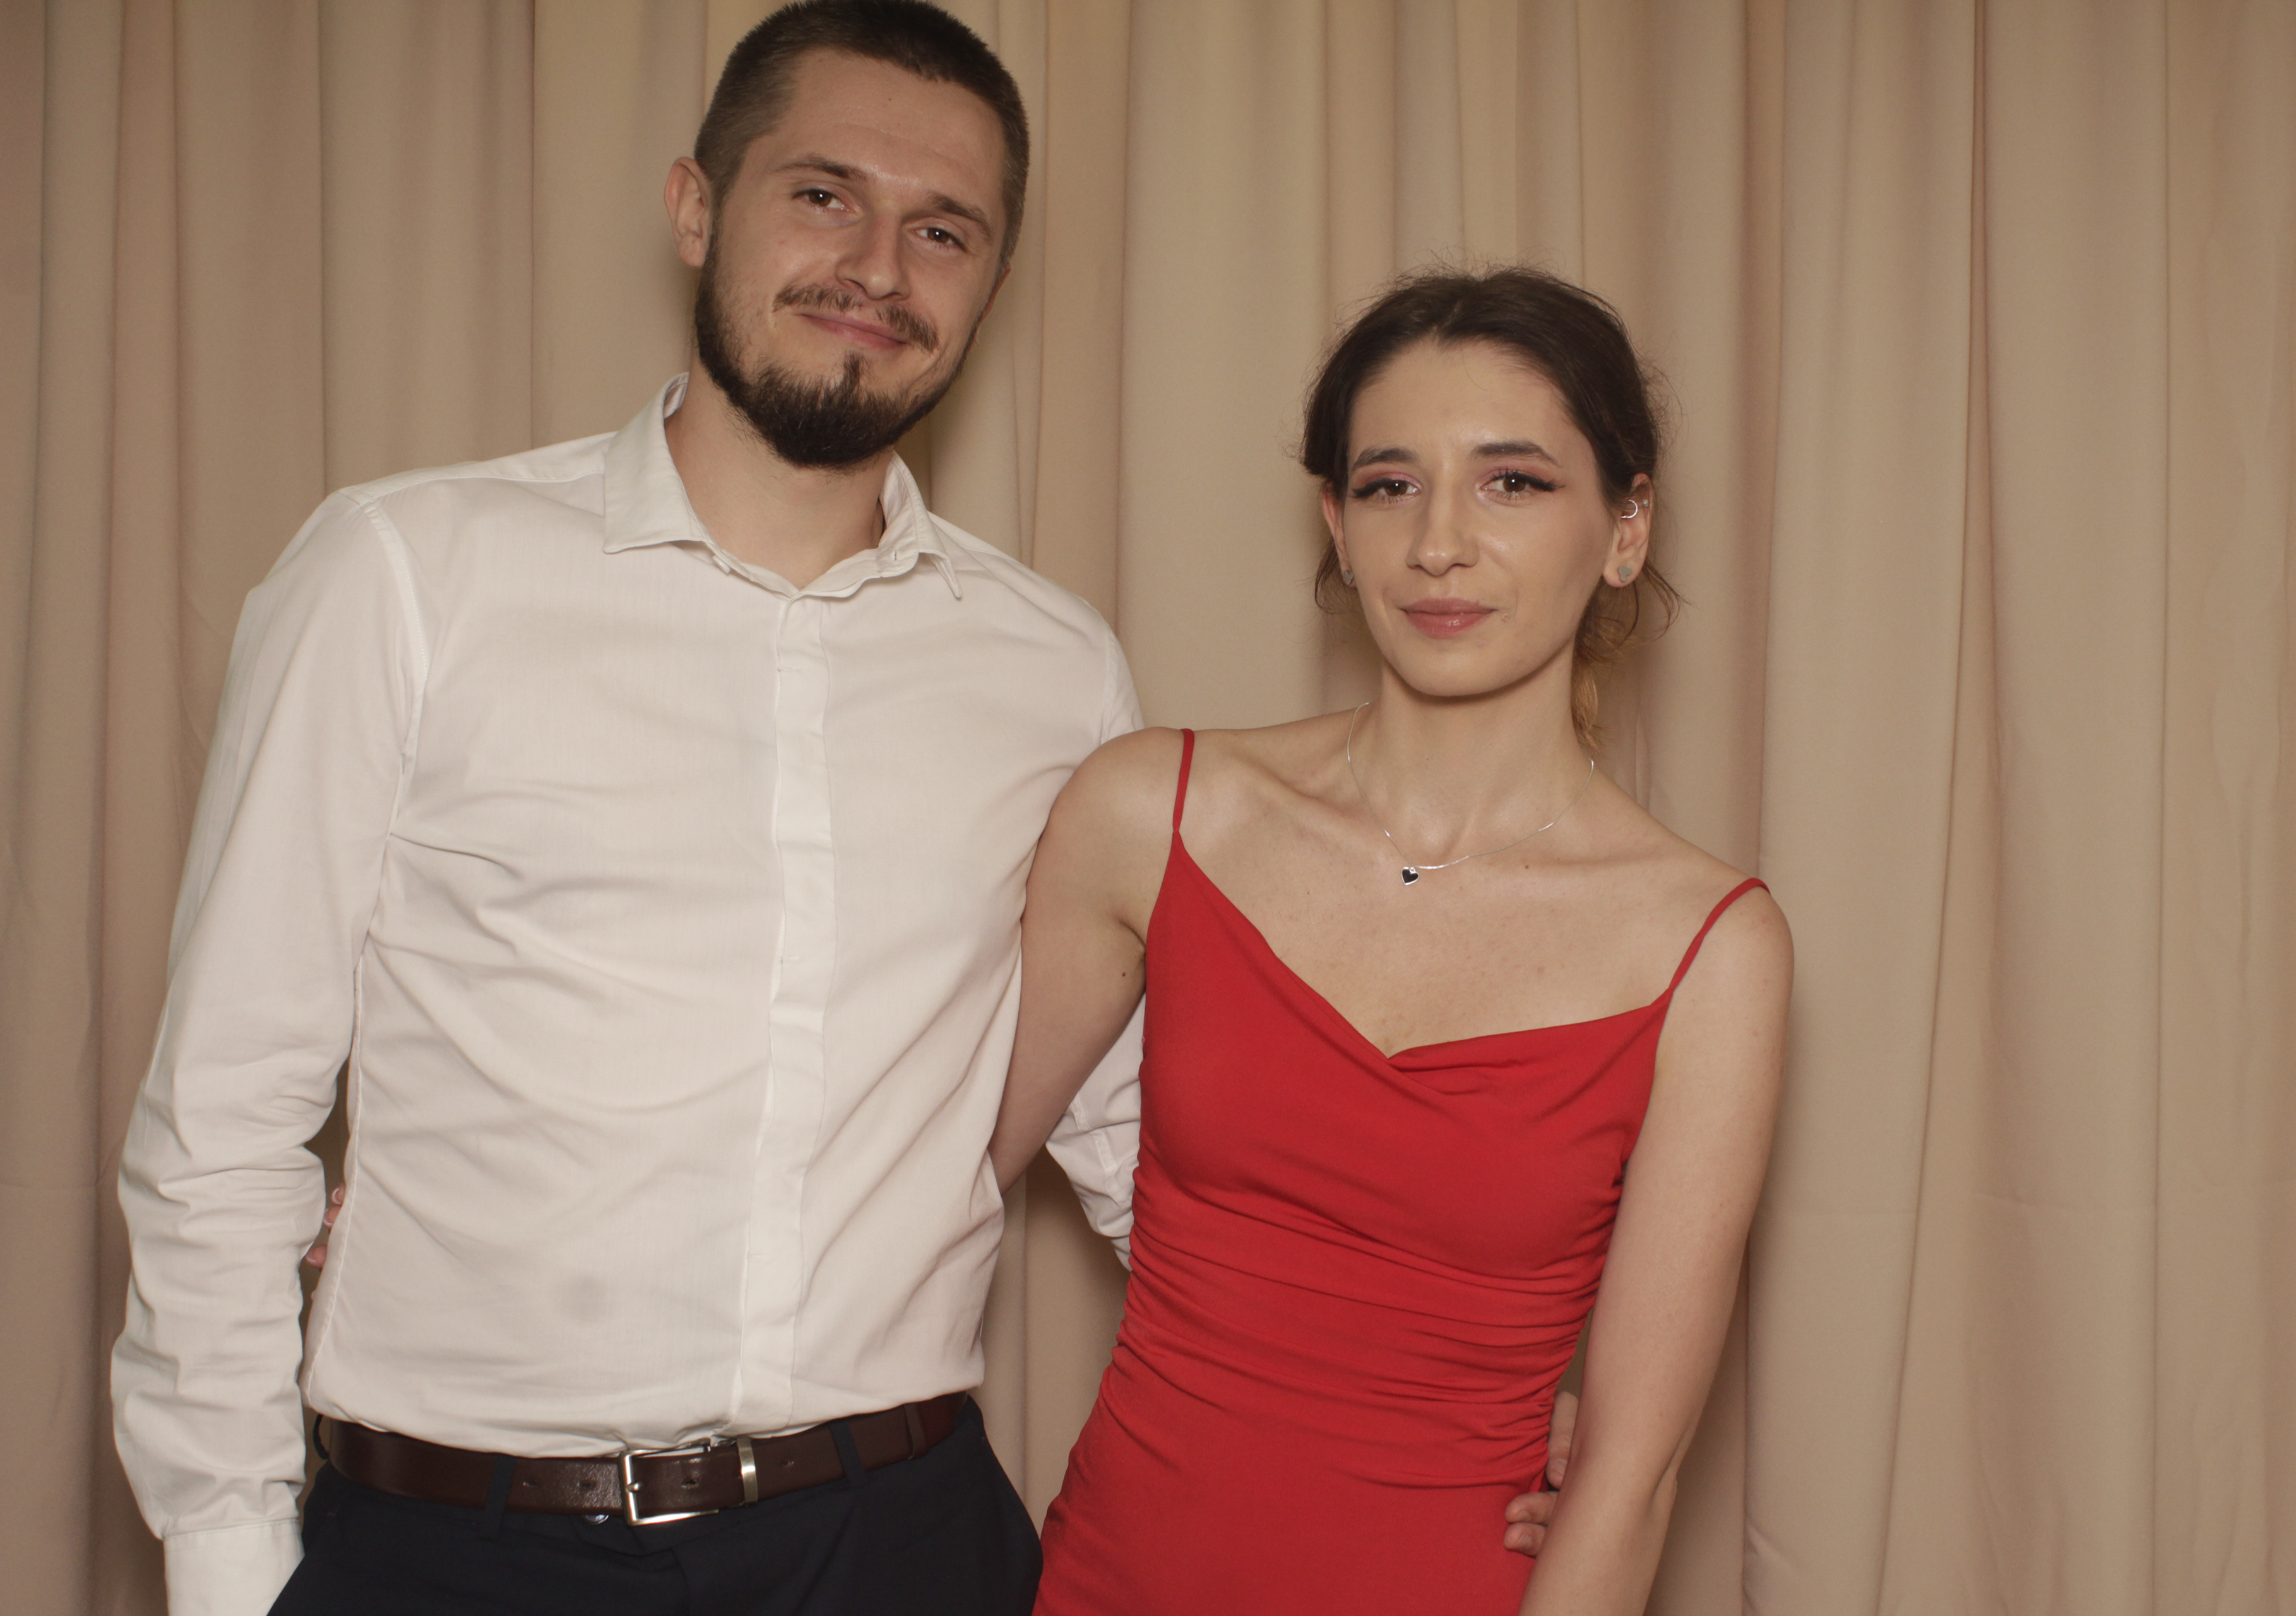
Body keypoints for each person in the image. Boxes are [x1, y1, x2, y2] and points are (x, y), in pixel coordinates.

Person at [110, 6, 1126, 1613]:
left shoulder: (1057, 670)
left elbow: (1151, 1133)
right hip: (464, 1550)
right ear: (695, 209)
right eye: (822, 195)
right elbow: (226, 1113)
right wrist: (231, 1564)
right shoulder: (403, 573)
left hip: (905, 1540)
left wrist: (1457, 1418)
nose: (878, 266)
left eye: (944, 230)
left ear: (991, 281)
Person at [989, 268, 1794, 1615]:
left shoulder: (1710, 949)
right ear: (1338, 526)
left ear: (1626, 528)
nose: (1438, 543)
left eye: (1512, 482)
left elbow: (1630, 1482)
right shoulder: (1148, 813)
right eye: (1389, 484)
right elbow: (920, 1190)